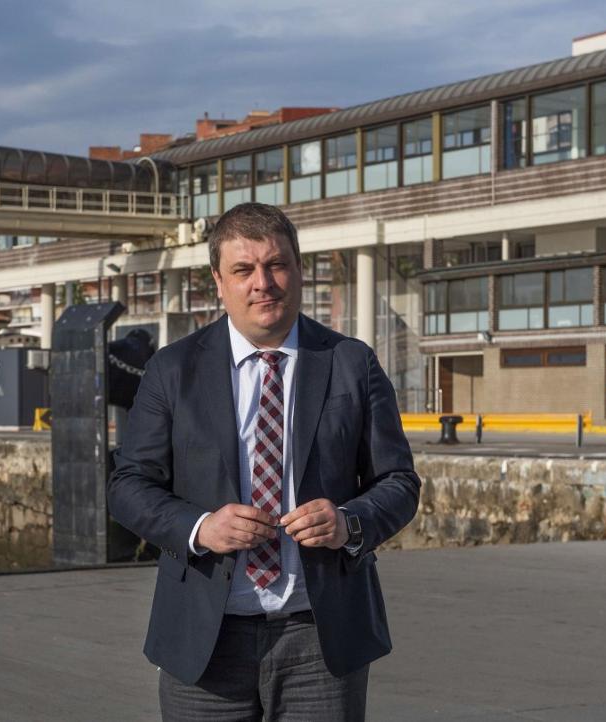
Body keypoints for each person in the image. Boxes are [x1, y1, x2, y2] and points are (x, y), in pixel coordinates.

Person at [108, 202, 421, 721]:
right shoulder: (172, 369)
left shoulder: (351, 362)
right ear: (219, 281)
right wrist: (200, 526)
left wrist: (348, 523)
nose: (263, 283)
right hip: (204, 639)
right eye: (243, 269)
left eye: (276, 265)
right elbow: (129, 484)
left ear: (298, 269)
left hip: (321, 638)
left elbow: (399, 481)